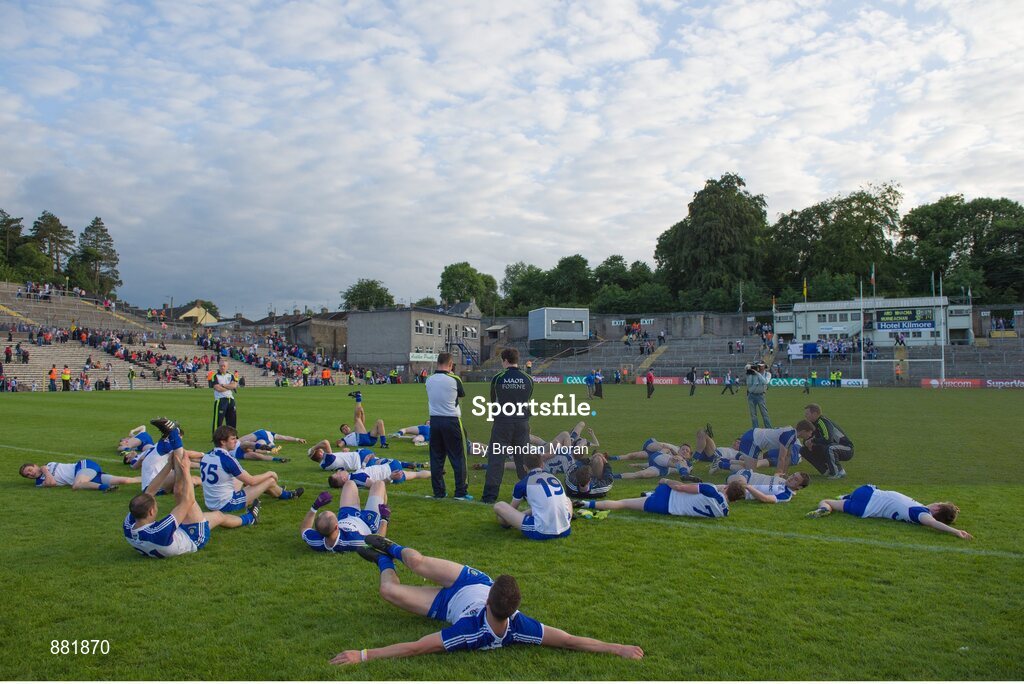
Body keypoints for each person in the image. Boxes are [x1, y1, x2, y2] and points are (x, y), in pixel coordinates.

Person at [333, 536, 644, 664]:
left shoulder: (468, 630)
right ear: (514, 609)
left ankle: (381, 561)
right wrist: (616, 648)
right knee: (418, 563)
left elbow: (416, 647)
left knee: (389, 591)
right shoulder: (520, 625)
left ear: (488, 602)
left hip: (447, 606)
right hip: (466, 581)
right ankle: (393, 547)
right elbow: (569, 641)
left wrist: (362, 655)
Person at [124, 446, 245, 558]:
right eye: (156, 506)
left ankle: (250, 518)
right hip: (194, 538)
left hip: (171, 536)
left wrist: (168, 465)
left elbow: (149, 492)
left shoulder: (129, 526)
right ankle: (249, 518)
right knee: (183, 494)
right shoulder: (160, 530)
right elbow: (189, 500)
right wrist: (186, 470)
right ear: (151, 511)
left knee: (215, 515)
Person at [200, 425, 303, 516]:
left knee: (241, 478)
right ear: (223, 441)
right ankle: (288, 495)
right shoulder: (228, 459)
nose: (236, 441)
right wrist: (270, 473)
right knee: (269, 480)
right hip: (226, 504)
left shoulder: (207, 455)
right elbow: (251, 481)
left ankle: (275, 489)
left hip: (210, 503)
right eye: (233, 439)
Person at [807, 485, 972, 539]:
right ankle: (832, 504)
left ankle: (824, 508)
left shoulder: (921, 513)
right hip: (863, 510)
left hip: (868, 494)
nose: (936, 502)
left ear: (936, 509)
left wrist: (956, 531)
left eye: (939, 503)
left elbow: (933, 523)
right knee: (835, 501)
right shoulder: (917, 510)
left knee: (827, 500)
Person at [482, 348, 534, 504]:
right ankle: (529, 494)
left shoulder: (498, 378)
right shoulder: (527, 378)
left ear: (504, 360)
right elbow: (528, 397)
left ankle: (489, 497)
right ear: (517, 360)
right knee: (523, 460)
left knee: (496, 460)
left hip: (502, 423)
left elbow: (494, 400)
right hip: (522, 423)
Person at [493, 452, 572, 540]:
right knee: (567, 500)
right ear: (542, 465)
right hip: (565, 529)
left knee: (499, 506)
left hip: (541, 531)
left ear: (525, 467)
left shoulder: (522, 483)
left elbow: (512, 509)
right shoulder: (554, 478)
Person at [424, 352, 471, 500]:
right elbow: (461, 395)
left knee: (436, 458)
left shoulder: (429, 380)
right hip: (452, 421)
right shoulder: (455, 379)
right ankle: (460, 492)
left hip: (435, 421)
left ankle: (439, 492)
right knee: (458, 457)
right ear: (450, 365)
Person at [300, 482, 390, 553]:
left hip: (346, 517)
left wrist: (315, 507)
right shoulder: (353, 540)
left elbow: (304, 528)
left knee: (349, 484)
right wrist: (384, 518)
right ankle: (383, 511)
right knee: (379, 484)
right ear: (336, 527)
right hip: (367, 522)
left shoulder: (315, 540)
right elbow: (378, 541)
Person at [575, 480, 745, 517]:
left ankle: (586, 502)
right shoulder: (724, 512)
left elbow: (681, 487)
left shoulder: (712, 490)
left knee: (624, 502)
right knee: (626, 504)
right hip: (668, 509)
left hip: (667, 496)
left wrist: (666, 481)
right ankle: (585, 504)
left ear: (727, 487)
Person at [737, 423, 814, 476]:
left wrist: (784, 474)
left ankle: (729, 464)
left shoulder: (792, 434)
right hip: (752, 441)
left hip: (754, 439)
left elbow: (788, 456)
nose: (810, 435)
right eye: (810, 433)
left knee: (751, 471)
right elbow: (781, 458)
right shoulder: (789, 436)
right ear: (803, 431)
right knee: (751, 473)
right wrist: (777, 476)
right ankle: (729, 469)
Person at [800, 403, 854, 479]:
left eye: (807, 414)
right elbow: (808, 437)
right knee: (803, 449)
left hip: (846, 448)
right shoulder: (812, 424)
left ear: (815, 414)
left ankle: (838, 472)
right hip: (830, 445)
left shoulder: (822, 422)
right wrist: (806, 442)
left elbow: (828, 439)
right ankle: (826, 470)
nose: (805, 416)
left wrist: (813, 441)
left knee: (830, 448)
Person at [20, 459, 140, 491]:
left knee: (76, 485)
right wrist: (45, 471)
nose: (31, 473)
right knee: (126, 481)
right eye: (28, 475)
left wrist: (45, 469)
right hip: (88, 477)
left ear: (35, 465)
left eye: (30, 469)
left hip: (83, 466)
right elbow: (52, 483)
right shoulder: (39, 483)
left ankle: (105, 488)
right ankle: (150, 479)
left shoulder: (49, 464)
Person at [327, 457, 431, 488]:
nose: (339, 471)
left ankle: (434, 473)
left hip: (392, 473)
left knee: (416, 475)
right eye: (338, 474)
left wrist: (364, 462)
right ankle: (410, 464)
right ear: (344, 479)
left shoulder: (354, 477)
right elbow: (375, 485)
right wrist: (390, 477)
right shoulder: (356, 478)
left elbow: (364, 472)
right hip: (391, 469)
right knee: (379, 460)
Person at [726, 469, 810, 503]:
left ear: (799, 487)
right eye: (793, 475)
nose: (791, 478)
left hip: (742, 485)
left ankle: (722, 464)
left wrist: (748, 486)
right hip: (748, 474)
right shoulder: (784, 481)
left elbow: (765, 498)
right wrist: (776, 475)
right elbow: (774, 480)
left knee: (724, 489)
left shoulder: (785, 495)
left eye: (796, 479)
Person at [212, 359, 238, 437]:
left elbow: (234, 385)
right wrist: (229, 386)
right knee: (218, 421)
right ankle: (216, 437)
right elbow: (218, 389)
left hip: (231, 400)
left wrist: (222, 385)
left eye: (224, 366)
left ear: (227, 367)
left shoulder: (231, 375)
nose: (222, 367)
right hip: (220, 400)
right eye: (221, 366)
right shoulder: (215, 376)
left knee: (232, 420)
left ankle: (232, 437)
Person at [239, 428, 306, 453]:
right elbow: (285, 437)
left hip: (260, 433)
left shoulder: (272, 435)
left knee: (238, 441)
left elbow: (285, 437)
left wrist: (297, 439)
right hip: (262, 436)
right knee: (262, 448)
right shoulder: (273, 436)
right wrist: (297, 439)